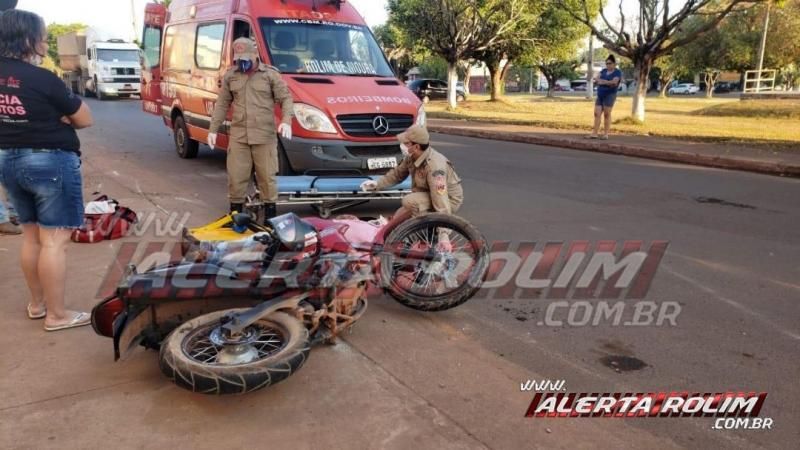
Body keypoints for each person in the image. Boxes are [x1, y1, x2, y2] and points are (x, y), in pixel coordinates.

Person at [0, 9, 94, 331]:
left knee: (31, 236)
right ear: (27, 39)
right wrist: (61, 117)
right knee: (54, 241)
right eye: (40, 35)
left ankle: (38, 305)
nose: (44, 41)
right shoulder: (42, 78)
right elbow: (85, 118)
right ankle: (57, 315)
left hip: (8, 160)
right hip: (49, 161)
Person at [208, 37, 294, 222]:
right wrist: (213, 129)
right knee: (236, 178)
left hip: (264, 136)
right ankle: (236, 218)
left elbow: (286, 98)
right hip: (239, 135)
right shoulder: (231, 76)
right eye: (239, 59)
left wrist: (286, 120)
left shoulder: (270, 75)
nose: (243, 62)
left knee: (267, 179)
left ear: (255, 55)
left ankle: (270, 220)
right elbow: (222, 104)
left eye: (246, 58)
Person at [360, 125, 463, 250]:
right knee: (396, 219)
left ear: (416, 146)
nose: (402, 145)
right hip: (428, 194)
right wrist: (377, 184)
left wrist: (444, 234)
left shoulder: (434, 167)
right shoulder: (412, 156)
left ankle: (427, 238)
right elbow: (397, 174)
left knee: (410, 201)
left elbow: (441, 200)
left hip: (448, 198)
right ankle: (399, 243)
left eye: (406, 143)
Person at [590, 55, 623, 140]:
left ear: (614, 64)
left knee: (606, 114)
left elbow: (614, 82)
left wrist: (603, 82)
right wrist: (606, 82)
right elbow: (596, 79)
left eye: (610, 63)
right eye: (606, 63)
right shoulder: (603, 71)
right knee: (597, 113)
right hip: (600, 95)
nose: (608, 65)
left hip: (610, 95)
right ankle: (595, 133)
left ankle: (605, 134)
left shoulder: (617, 72)